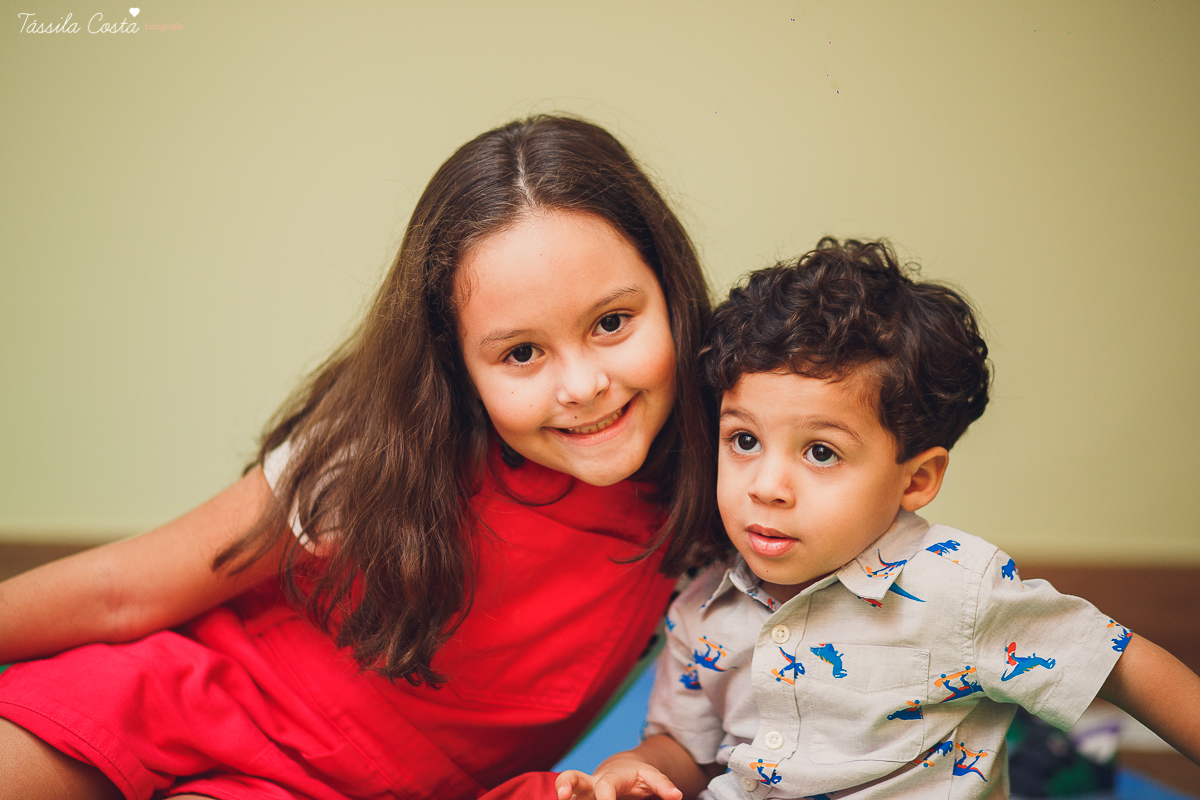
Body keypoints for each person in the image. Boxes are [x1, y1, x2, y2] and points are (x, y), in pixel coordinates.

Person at [0, 115, 727, 800]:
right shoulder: (381, 444)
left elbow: (699, 730)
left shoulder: (731, 492)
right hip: (178, 697)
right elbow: (122, 592)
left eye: (611, 322)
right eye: (522, 353)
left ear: (670, 290)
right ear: (456, 361)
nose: (583, 386)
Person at [556, 239, 1200, 800]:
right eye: (744, 441)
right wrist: (633, 767)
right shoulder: (702, 605)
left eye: (821, 452)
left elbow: (1124, 666)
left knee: (1061, 753)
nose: (767, 487)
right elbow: (685, 751)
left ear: (915, 480)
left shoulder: (960, 592)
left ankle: (1060, 762)